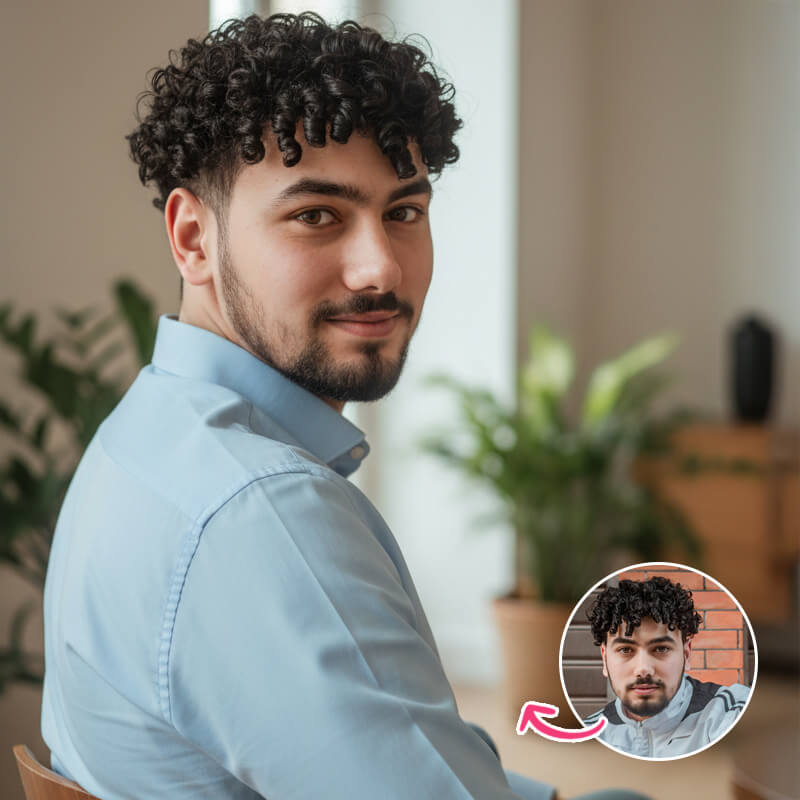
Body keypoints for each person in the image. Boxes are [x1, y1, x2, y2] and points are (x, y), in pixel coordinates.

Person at [41, 12, 648, 799]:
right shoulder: (262, 511)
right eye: (316, 215)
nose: (380, 268)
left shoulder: (148, 432)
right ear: (193, 238)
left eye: (404, 212)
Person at [583, 576, 751, 759]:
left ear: (686, 654)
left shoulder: (729, 713)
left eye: (661, 649)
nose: (643, 669)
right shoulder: (589, 733)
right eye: (625, 650)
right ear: (605, 658)